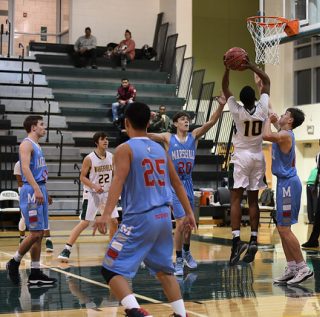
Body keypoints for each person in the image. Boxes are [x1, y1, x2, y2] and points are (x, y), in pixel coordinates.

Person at [93, 102, 196, 317]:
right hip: (163, 218)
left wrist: (104, 215)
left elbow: (118, 181)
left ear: (126, 123)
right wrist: (189, 213)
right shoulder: (159, 148)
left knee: (110, 268)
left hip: (139, 219)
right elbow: (177, 183)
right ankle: (181, 314)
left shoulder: (124, 149)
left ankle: (136, 312)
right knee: (164, 270)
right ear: (149, 122)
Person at [148, 94, 226, 275]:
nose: (186, 122)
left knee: (189, 224)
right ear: (175, 123)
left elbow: (211, 122)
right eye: (183, 119)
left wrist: (221, 107)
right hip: (173, 185)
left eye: (188, 119)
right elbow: (146, 135)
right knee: (181, 221)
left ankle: (187, 252)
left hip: (188, 183)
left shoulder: (194, 136)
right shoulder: (168, 137)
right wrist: (147, 119)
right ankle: (178, 259)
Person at [222, 59, 270, 266]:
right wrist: (251, 67)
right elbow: (266, 81)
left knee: (235, 199)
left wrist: (227, 69)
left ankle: (235, 241)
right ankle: (253, 239)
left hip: (242, 156)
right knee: (253, 200)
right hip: (258, 156)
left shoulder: (237, 111)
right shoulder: (262, 108)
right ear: (256, 99)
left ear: (241, 100)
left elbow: (225, 88)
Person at [263, 108, 314, 285]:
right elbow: (276, 127)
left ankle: (303, 268)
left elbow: (266, 135)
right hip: (283, 183)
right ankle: (292, 267)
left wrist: (268, 120)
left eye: (285, 114)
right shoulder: (284, 133)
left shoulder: (285, 135)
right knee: (282, 228)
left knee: (285, 229)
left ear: (290, 120)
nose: (282, 115)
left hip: (288, 185)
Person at [6, 115, 57, 286]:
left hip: (39, 187)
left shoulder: (36, 145)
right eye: (42, 125)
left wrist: (43, 190)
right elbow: (25, 168)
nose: (44, 127)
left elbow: (38, 171)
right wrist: (36, 188)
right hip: (31, 191)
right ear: (33, 127)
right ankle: (14, 262)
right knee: (35, 233)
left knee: (40, 233)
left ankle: (35, 273)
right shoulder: (26, 144)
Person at [58, 132, 119, 263]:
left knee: (114, 221)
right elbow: (82, 177)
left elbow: (114, 174)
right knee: (85, 222)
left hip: (107, 193)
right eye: (103, 139)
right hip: (92, 193)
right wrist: (94, 186)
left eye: (107, 139)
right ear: (97, 142)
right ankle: (66, 249)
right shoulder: (89, 158)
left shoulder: (111, 157)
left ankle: (112, 250)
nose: (106, 141)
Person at [14, 161, 54, 251]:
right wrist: (33, 189)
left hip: (39, 190)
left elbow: (42, 181)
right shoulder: (18, 164)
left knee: (43, 216)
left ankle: (48, 240)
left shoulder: (39, 163)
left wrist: (46, 194)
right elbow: (20, 182)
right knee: (26, 218)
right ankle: (22, 238)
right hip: (26, 191)